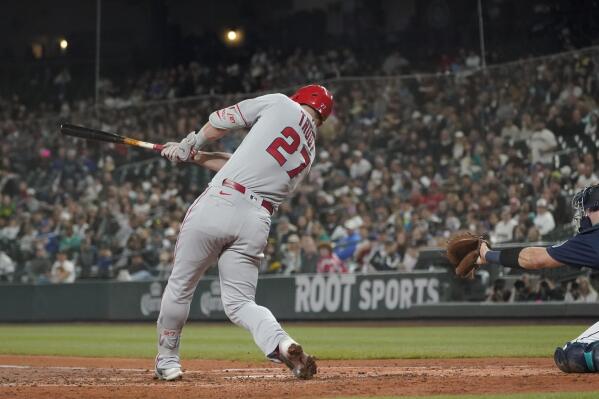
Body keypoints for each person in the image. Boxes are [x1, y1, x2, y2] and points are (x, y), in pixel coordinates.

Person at [154, 85, 333, 381]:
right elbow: (240, 164)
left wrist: (192, 141)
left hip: (220, 202)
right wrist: (195, 155)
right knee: (240, 303)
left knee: (181, 285)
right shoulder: (309, 151)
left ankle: (169, 362)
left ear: (300, 97)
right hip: (256, 220)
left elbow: (222, 119)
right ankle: (281, 342)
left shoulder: (280, 103)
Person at [476, 184, 599, 373]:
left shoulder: (592, 237)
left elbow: (534, 259)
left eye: (587, 209)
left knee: (572, 354)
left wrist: (488, 255)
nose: (584, 215)